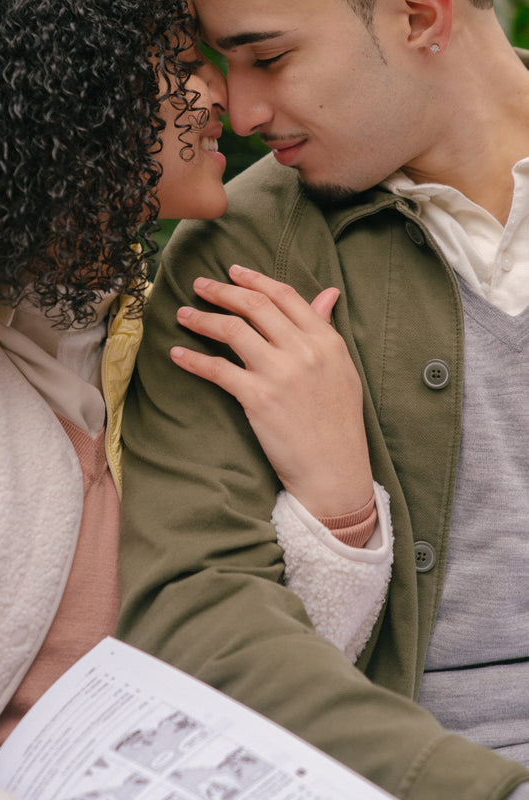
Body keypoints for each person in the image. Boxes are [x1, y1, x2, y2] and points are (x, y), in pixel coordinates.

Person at [117, 0, 529, 797]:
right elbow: (200, 612)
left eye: (267, 58)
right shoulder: (235, 258)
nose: (239, 110)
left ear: (418, 17)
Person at [0, 0, 390, 776]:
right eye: (180, 65)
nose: (227, 104)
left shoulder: (140, 327)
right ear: (69, 93)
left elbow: (256, 694)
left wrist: (336, 498)